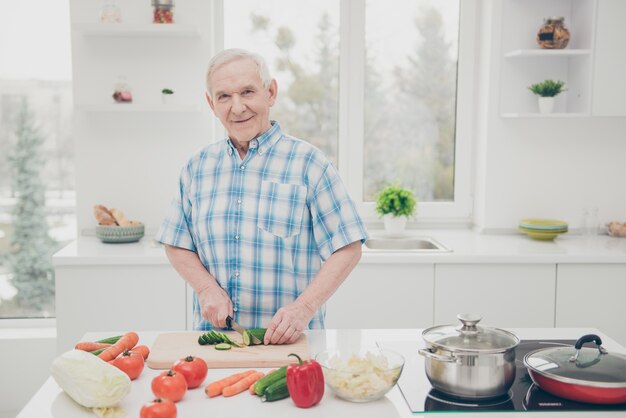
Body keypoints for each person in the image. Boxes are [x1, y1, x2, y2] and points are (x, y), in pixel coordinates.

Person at [156, 48, 368, 345]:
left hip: (292, 346)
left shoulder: (309, 163)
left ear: (270, 93)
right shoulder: (196, 168)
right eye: (224, 96)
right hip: (214, 344)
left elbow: (348, 246)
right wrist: (206, 288)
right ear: (211, 103)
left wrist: (303, 308)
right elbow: (176, 242)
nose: (238, 107)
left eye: (247, 92)